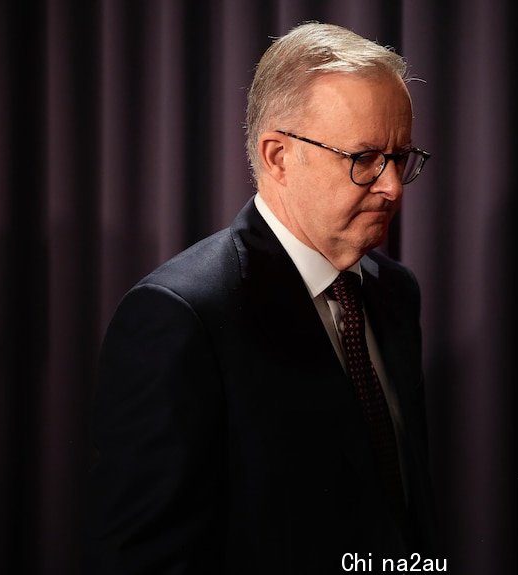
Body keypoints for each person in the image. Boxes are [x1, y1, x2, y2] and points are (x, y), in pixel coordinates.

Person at [85, 21, 436, 574]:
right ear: (276, 156)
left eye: (400, 157)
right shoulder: (183, 315)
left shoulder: (395, 292)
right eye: (365, 158)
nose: (391, 185)